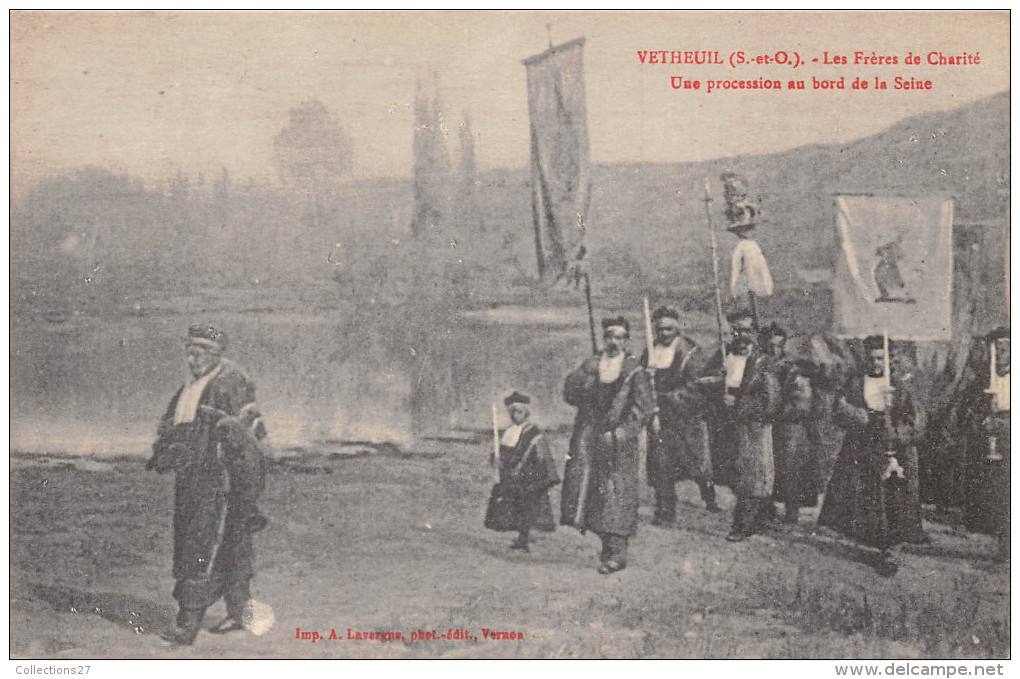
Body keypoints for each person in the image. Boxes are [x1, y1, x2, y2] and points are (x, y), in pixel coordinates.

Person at [147, 324, 269, 645]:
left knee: (202, 543)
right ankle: (240, 611)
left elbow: (253, 434)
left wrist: (243, 480)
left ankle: (187, 622)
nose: (192, 358)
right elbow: (171, 425)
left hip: (221, 479)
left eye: (200, 352)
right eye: (189, 351)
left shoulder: (231, 382)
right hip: (192, 479)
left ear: (216, 354)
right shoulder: (189, 386)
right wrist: (165, 450)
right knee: (227, 542)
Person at [818, 335, 918, 576]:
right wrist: (859, 415)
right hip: (860, 446)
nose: (876, 364)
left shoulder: (899, 385)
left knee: (891, 498)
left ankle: (891, 550)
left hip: (890, 449)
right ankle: (870, 541)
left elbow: (912, 420)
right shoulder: (855, 382)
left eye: (880, 358)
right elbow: (838, 409)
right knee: (862, 496)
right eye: (872, 358)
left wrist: (894, 422)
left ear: (888, 359)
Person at [561, 316, 654, 574]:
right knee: (594, 490)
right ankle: (607, 548)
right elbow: (570, 396)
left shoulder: (635, 371)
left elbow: (643, 410)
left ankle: (617, 553)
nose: (613, 342)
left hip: (618, 441)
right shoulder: (592, 365)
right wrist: (585, 377)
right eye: (609, 336)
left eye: (619, 337)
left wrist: (621, 434)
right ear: (604, 339)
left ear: (627, 341)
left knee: (616, 492)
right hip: (590, 436)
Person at [641, 305, 720, 525]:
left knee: (697, 463)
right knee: (661, 464)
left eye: (669, 329)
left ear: (677, 328)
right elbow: (641, 384)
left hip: (686, 416)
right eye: (660, 330)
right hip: (660, 417)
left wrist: (672, 397)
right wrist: (646, 379)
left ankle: (709, 496)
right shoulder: (649, 351)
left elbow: (698, 385)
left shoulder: (690, 352)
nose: (664, 334)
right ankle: (665, 510)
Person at [721, 327, 780, 542]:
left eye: (747, 339)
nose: (742, 343)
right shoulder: (730, 360)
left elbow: (770, 402)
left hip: (755, 427)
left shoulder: (763, 365)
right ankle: (761, 518)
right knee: (739, 474)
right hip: (735, 426)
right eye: (737, 337)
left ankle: (744, 525)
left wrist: (739, 405)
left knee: (753, 477)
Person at [486, 391, 560, 551]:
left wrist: (537, 476)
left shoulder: (534, 433)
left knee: (528, 509)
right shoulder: (509, 432)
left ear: (526, 413)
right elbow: (501, 453)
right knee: (515, 509)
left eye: (518, 412)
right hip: (512, 478)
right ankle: (521, 538)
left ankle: (526, 540)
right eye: (512, 412)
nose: (515, 415)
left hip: (529, 479)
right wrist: (496, 460)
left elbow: (542, 457)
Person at [961, 327, 1010, 560]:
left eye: (1005, 348)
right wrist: (980, 419)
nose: (1000, 353)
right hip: (986, 442)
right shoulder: (981, 380)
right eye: (995, 349)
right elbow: (965, 411)